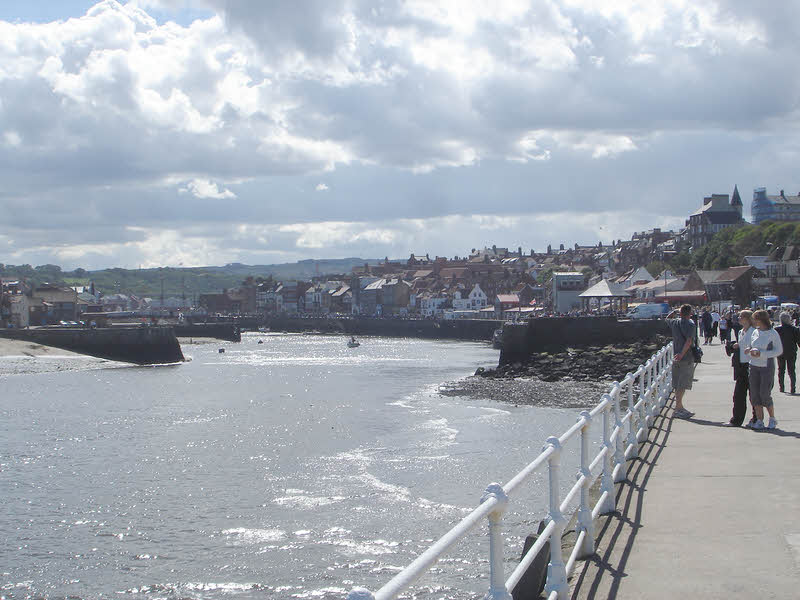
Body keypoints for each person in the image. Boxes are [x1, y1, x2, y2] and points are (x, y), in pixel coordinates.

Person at [746, 309, 783, 430]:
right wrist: (749, 350)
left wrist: (762, 353)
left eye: (755, 319)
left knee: (764, 394)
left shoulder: (773, 333)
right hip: (753, 365)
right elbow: (752, 345)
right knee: (754, 394)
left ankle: (772, 418)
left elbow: (778, 351)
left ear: (761, 320)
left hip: (766, 366)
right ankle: (759, 420)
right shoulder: (755, 332)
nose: (753, 321)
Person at [667, 304, 697, 418]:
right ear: (690, 313)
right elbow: (689, 341)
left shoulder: (675, 322)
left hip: (676, 356)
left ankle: (679, 407)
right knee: (683, 384)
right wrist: (682, 354)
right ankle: (678, 408)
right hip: (686, 357)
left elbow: (667, 319)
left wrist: (674, 312)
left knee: (677, 383)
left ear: (680, 312)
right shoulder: (690, 324)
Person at [726, 310, 754, 427]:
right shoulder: (740, 331)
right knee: (738, 395)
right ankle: (736, 420)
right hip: (741, 366)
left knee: (753, 395)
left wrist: (740, 345)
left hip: (751, 365)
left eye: (741, 316)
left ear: (748, 319)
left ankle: (756, 419)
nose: (738, 318)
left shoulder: (754, 332)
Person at [775, 312, 800, 393]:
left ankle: (781, 387)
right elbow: (798, 341)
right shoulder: (794, 329)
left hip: (780, 351)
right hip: (791, 351)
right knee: (791, 370)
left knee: (781, 370)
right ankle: (793, 388)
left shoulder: (777, 329)